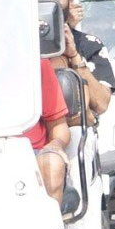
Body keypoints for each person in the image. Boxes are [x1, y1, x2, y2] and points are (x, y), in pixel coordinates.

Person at [36, 0, 113, 115]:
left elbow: (101, 104)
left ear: (70, 0)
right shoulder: (22, 45)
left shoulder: (90, 44)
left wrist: (74, 57)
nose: (51, 4)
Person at [25, 54, 71, 202]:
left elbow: (59, 127)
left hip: (30, 155)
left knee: (52, 162)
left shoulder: (36, 63)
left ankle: (50, 223)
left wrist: (56, 145)